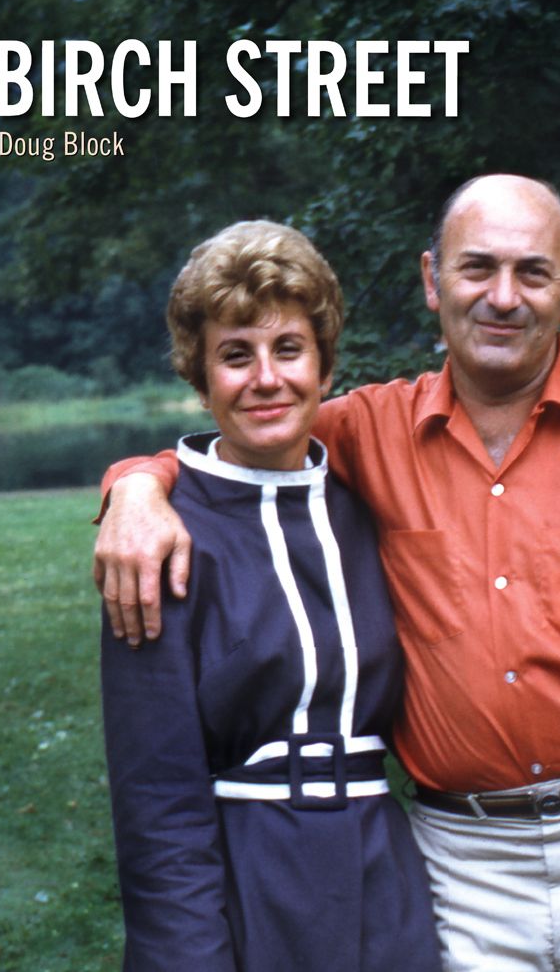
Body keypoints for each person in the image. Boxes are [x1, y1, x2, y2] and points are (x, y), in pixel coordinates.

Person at [94, 174, 560, 972]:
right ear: (433, 279)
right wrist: (136, 485)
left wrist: (134, 482)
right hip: (464, 860)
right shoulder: (369, 431)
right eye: (477, 267)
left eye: (533, 272)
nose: (503, 296)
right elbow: (248, 439)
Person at [101, 220, 442, 972]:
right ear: (200, 377)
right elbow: (157, 799)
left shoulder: (366, 505)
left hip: (385, 876)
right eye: (234, 355)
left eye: (288, 348)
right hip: (248, 883)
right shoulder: (159, 537)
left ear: (324, 364)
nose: (265, 378)